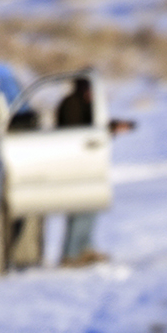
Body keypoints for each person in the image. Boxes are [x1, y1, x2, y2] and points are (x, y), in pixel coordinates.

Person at [56, 78, 107, 267]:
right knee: (80, 207)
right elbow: (77, 134)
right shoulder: (71, 104)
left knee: (90, 204)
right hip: (73, 164)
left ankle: (85, 249)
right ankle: (71, 254)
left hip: (85, 163)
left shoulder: (85, 105)